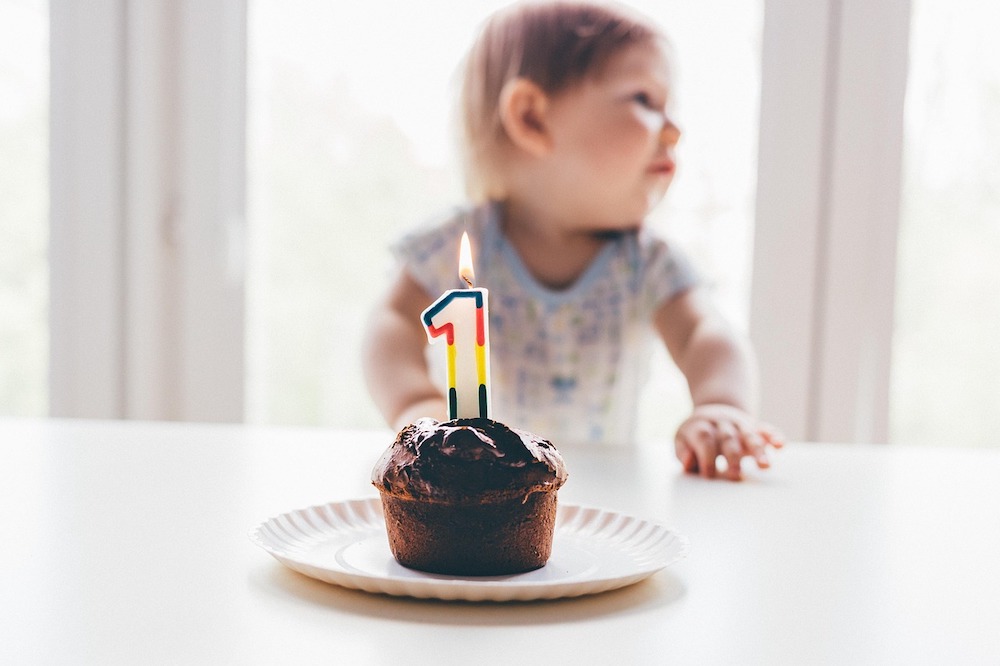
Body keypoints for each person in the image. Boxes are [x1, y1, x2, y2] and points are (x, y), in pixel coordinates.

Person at [363, 0, 783, 480]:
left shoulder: (644, 261)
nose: (674, 129)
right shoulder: (463, 240)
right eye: (644, 100)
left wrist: (720, 404)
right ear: (532, 119)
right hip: (475, 485)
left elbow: (704, 333)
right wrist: (416, 403)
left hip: (604, 488)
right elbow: (391, 322)